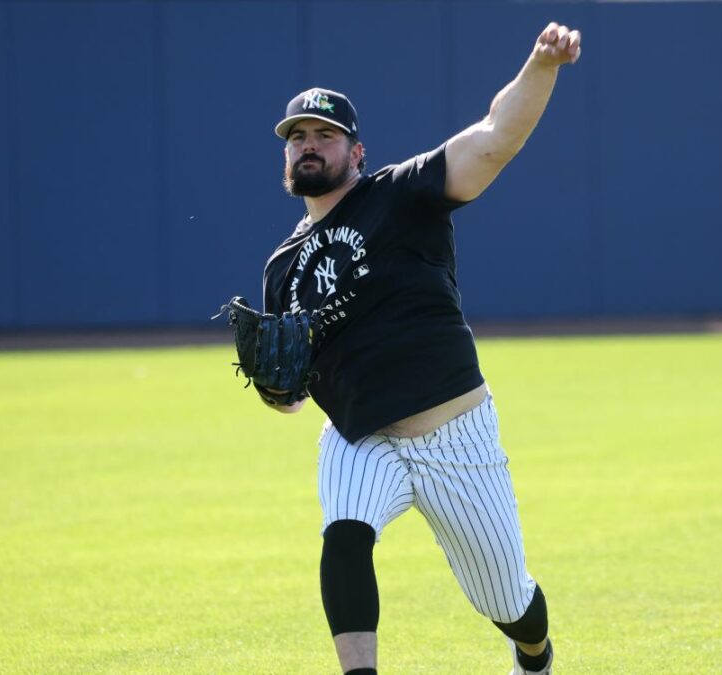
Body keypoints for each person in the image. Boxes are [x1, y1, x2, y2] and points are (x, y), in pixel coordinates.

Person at [260, 22, 581, 675]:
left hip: (454, 433)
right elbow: (288, 390)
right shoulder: (280, 270)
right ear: (286, 160)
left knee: (506, 598)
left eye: (325, 135)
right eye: (297, 138)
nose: (309, 147)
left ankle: (534, 652)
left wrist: (542, 65)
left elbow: (494, 139)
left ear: (357, 151)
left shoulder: (402, 196)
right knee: (344, 534)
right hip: (358, 437)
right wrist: (276, 389)